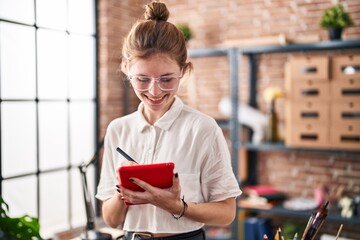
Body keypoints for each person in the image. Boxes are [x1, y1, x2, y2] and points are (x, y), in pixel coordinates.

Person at [95, 1, 241, 239]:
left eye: (166, 79)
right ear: (125, 69)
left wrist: (177, 206)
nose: (154, 91)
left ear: (183, 70)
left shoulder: (202, 129)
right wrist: (125, 192)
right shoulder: (118, 130)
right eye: (142, 79)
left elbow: (227, 212)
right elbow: (111, 219)